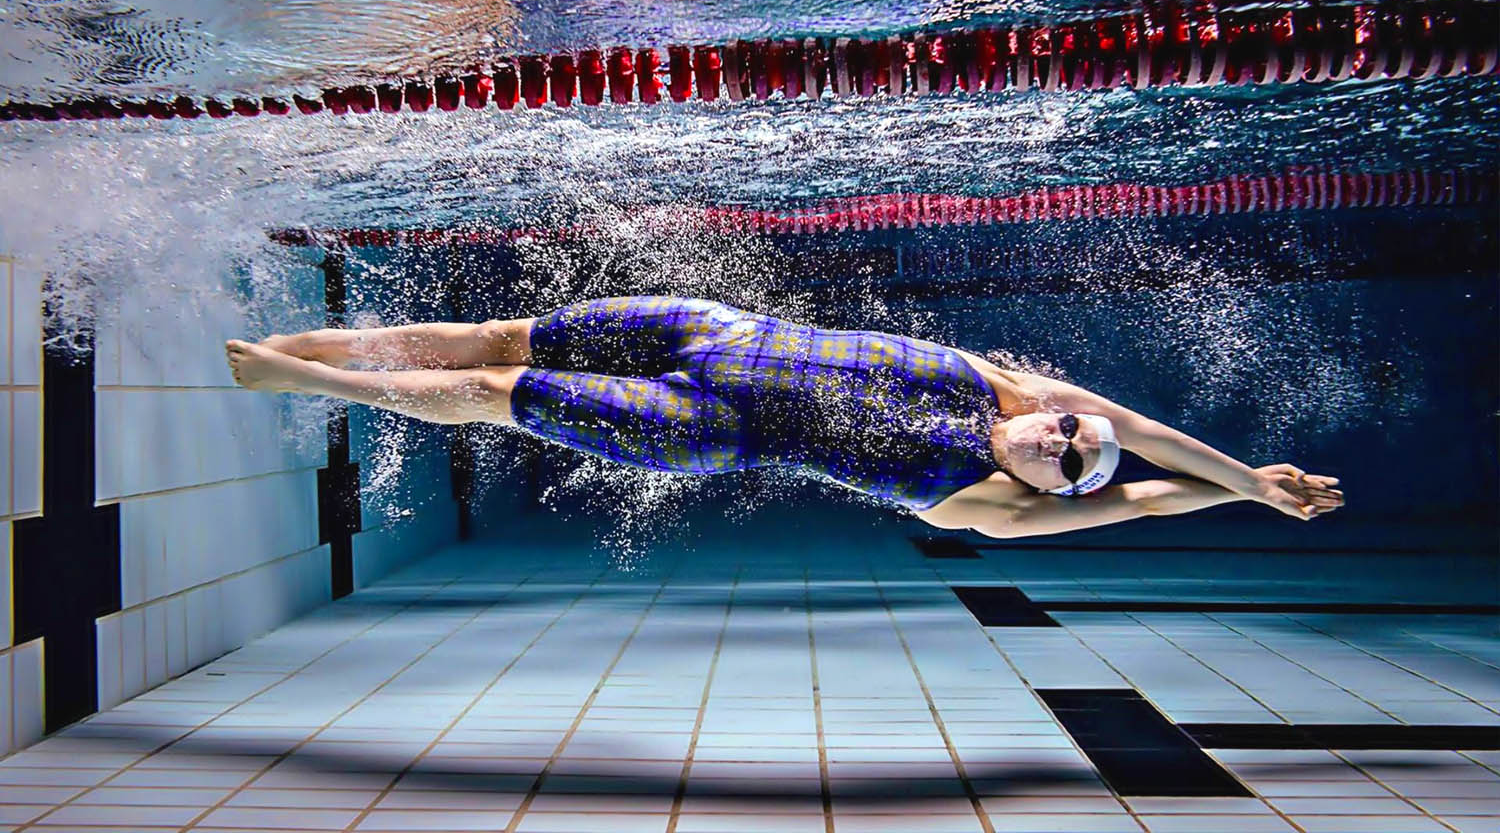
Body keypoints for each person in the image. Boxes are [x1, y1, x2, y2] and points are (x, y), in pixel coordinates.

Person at [226, 295, 1342, 538]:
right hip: (714, 332)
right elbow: (1136, 432)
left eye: (1067, 458)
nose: (1064, 434)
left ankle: (301, 380)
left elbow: (1135, 496)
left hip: (699, 426)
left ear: (1044, 491)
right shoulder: (1010, 389)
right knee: (497, 339)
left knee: (489, 395)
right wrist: (1250, 473)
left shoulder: (984, 505)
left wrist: (1229, 500)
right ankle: (306, 346)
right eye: (1071, 428)